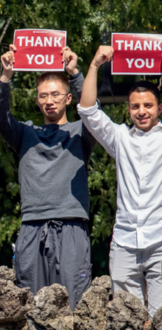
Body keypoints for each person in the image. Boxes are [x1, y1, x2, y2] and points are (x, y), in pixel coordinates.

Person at [0, 45, 97, 310]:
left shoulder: (81, 133)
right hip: (32, 228)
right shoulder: (25, 133)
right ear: (37, 100)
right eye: (43, 96)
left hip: (72, 227)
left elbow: (92, 110)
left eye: (55, 95)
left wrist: (75, 74)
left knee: (74, 309)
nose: (49, 100)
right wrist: (5, 77)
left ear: (68, 98)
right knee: (32, 310)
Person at [78, 45, 162, 318]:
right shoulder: (120, 138)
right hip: (124, 242)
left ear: (159, 108)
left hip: (159, 241)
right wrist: (94, 65)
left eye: (148, 105)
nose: (142, 111)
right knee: (127, 319)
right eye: (135, 106)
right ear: (127, 109)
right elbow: (88, 110)